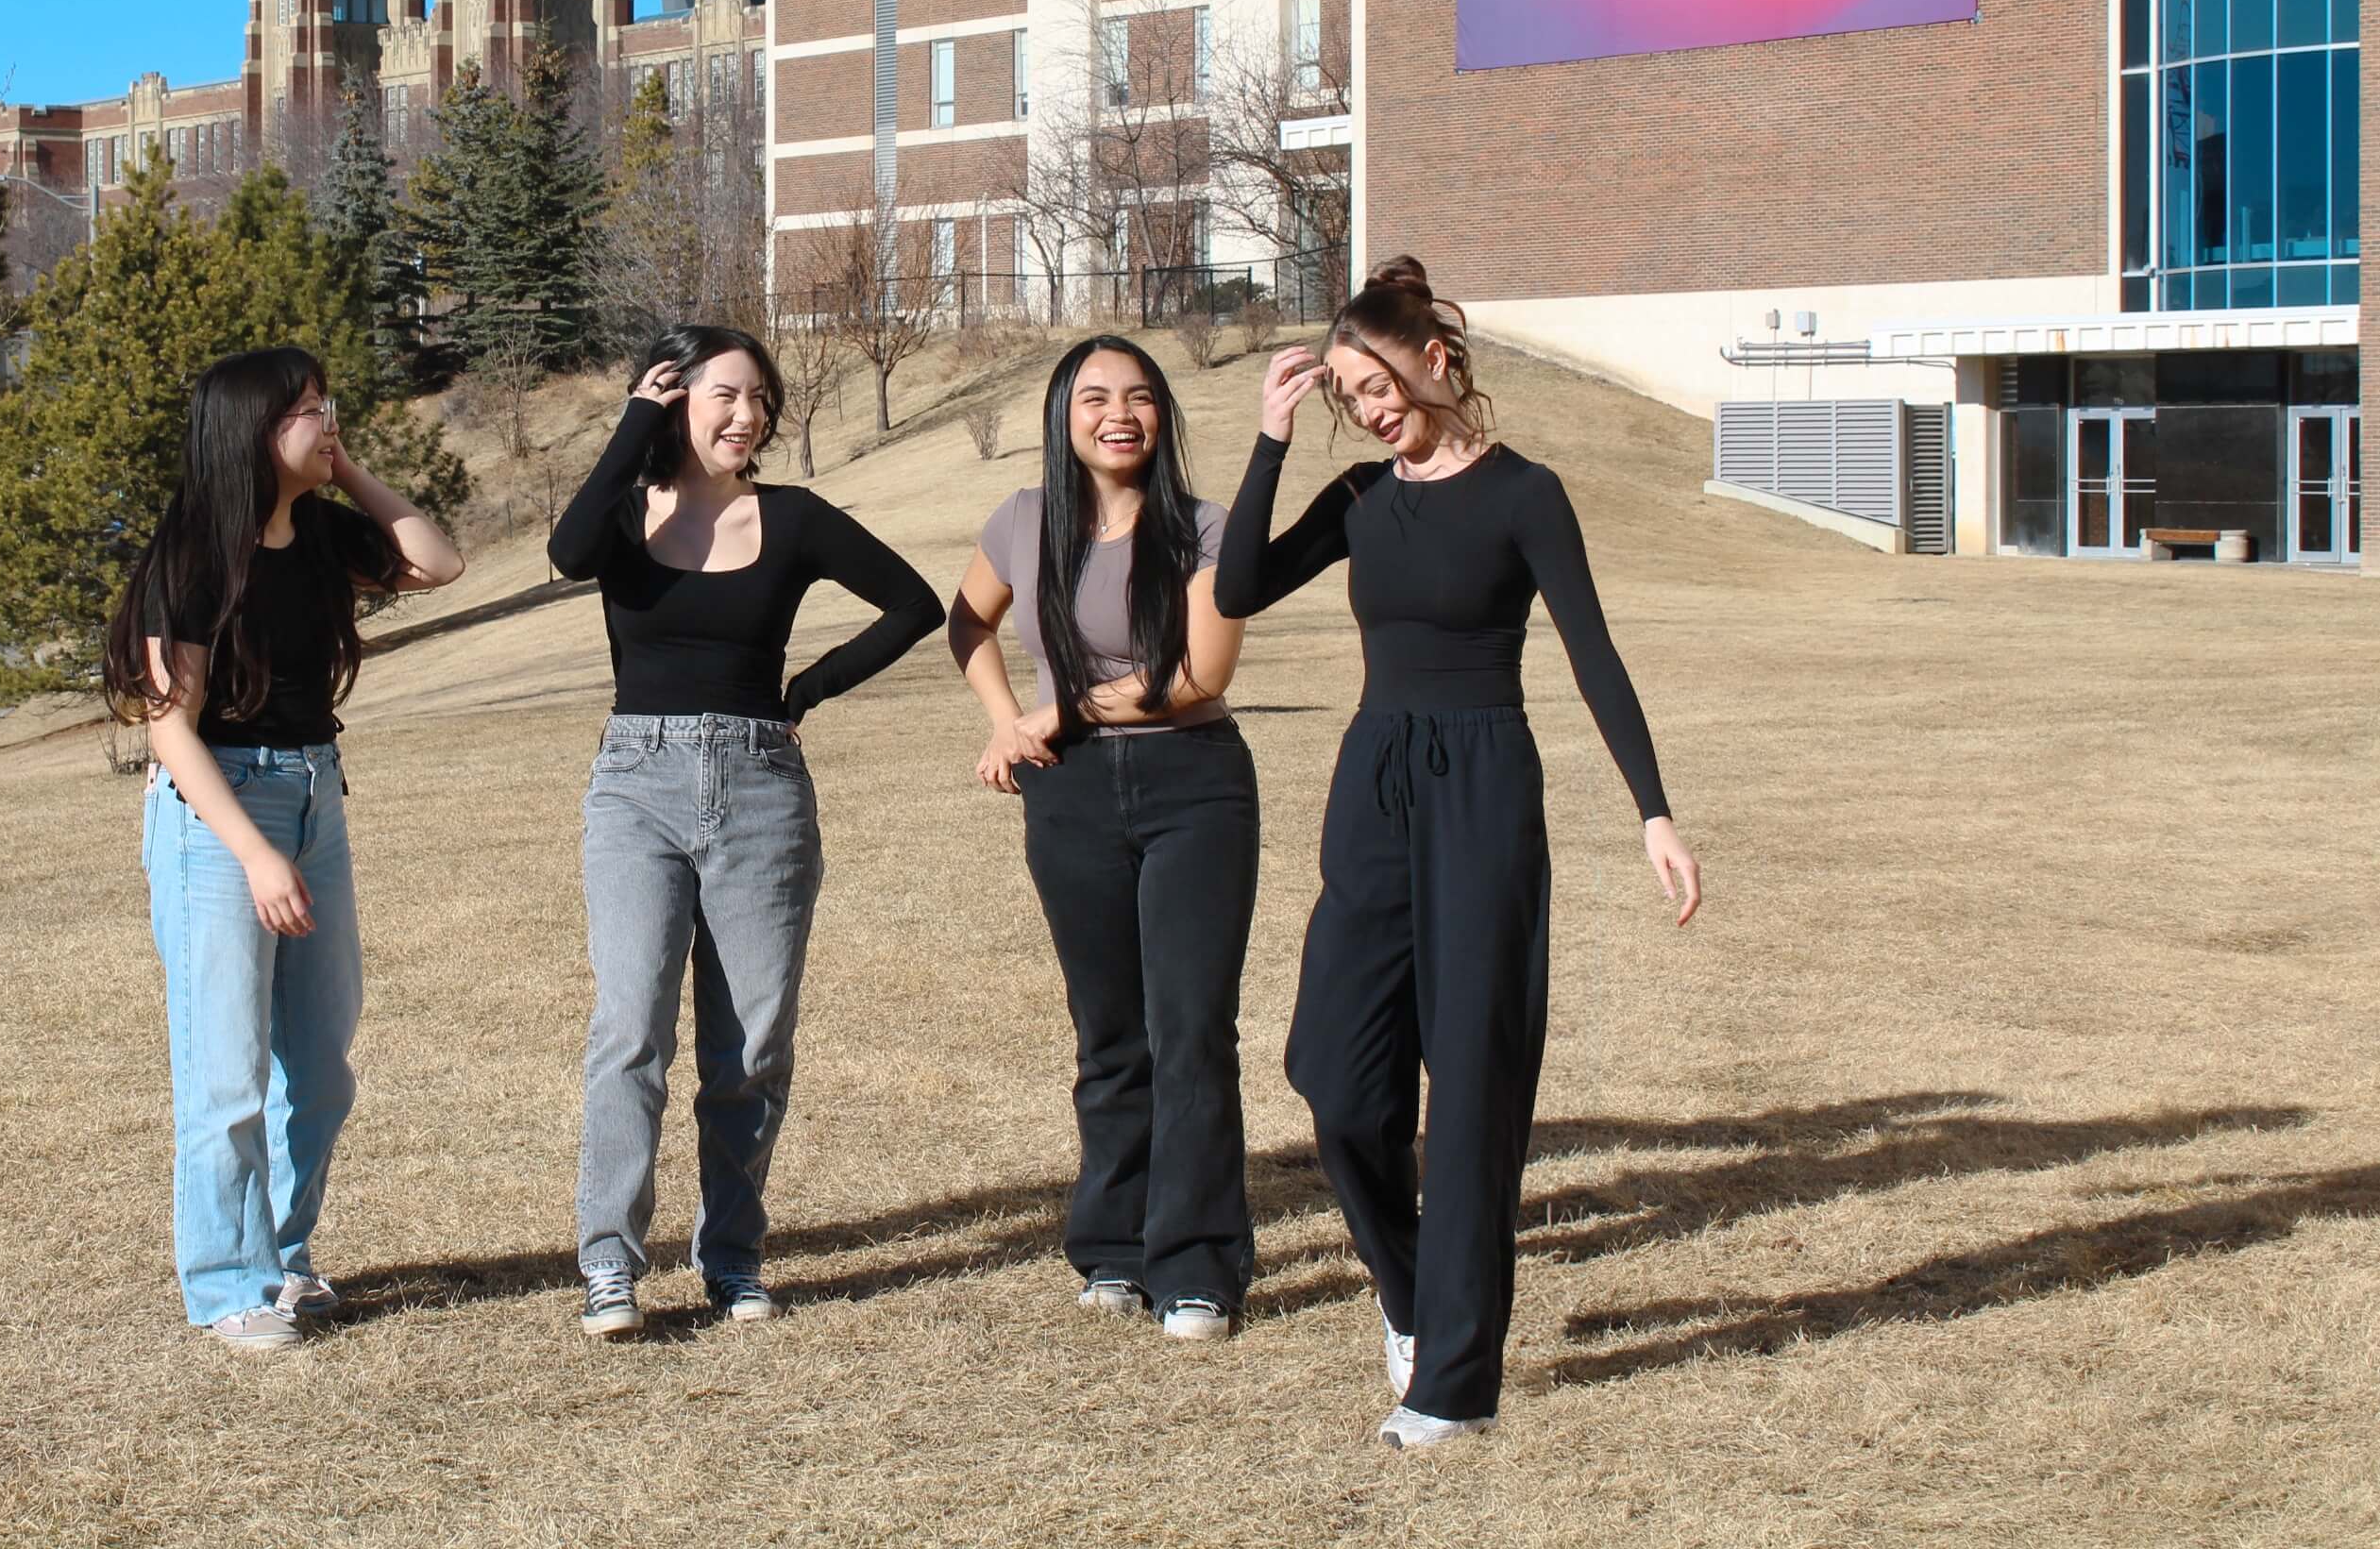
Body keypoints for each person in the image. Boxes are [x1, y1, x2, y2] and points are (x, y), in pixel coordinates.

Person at [1213, 258, 1702, 1447]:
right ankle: (1412, 1290)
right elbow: (1234, 587)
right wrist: (1272, 442)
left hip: (1485, 781)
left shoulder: (1525, 494)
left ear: (1436, 358)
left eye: (1372, 380)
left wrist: (1652, 808)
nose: (1366, 407)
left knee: (1475, 1083)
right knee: (1331, 1075)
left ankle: (1452, 1386)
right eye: (1342, 392)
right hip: (1374, 779)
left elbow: (1593, 653)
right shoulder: (1357, 499)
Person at [549, 324, 944, 1338]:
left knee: (753, 1044)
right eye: (725, 395)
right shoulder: (625, 515)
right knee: (631, 1030)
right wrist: (634, 416)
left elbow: (913, 605)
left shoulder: (795, 517)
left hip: (761, 785)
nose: (747, 415)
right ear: (676, 398)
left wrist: (807, 687)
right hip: (635, 783)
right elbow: (564, 552)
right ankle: (610, 1265)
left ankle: (731, 1258)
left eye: (760, 399)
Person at [104, 346, 466, 1353]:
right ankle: (227, 1286)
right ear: (251, 430)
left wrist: (341, 467)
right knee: (224, 1071)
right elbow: (167, 725)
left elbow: (438, 563)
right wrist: (256, 857)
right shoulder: (189, 552)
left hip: (314, 791)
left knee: (318, 1064)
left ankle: (283, 1257)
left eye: (327, 401)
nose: (328, 417)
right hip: (217, 812)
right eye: (307, 410)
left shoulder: (316, 532)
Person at [948, 336, 1259, 1340]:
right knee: (1108, 1033)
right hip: (1069, 799)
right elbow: (966, 626)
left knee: (1192, 1033)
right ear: (1061, 416)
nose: (1117, 413)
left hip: (1193, 789)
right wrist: (1006, 717)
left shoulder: (1205, 528)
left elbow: (1196, 676)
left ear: (1163, 415)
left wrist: (1058, 713)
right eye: (1093, 397)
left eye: (1139, 396)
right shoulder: (1023, 522)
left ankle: (1199, 1265)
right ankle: (1114, 1248)